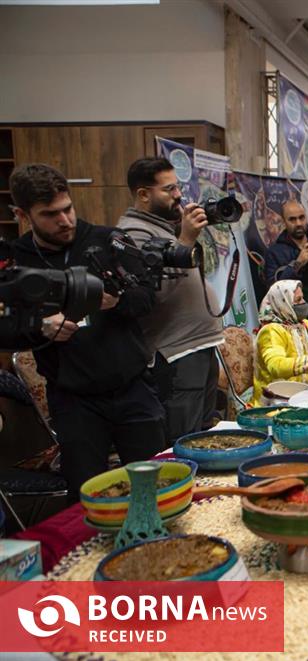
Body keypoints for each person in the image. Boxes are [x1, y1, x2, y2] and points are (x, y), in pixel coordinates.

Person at [8, 164, 165, 500]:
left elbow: (147, 297)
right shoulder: (15, 261)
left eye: (68, 209)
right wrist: (39, 327)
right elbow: (4, 330)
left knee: (156, 488)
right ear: (22, 214)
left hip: (134, 390)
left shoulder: (108, 240)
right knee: (87, 500)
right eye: (50, 215)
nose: (65, 221)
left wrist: (114, 301)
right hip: (73, 402)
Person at [116, 157, 224, 445]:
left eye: (178, 187)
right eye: (169, 189)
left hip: (198, 344)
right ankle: (182, 490)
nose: (178, 195)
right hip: (175, 351)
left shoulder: (162, 227)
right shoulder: (131, 233)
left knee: (203, 432)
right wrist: (186, 239)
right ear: (143, 194)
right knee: (184, 439)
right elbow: (146, 294)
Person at [252, 280, 308, 404]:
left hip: (304, 392)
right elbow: (276, 366)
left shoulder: (303, 325)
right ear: (283, 303)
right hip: (275, 400)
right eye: (298, 300)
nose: (303, 303)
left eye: (303, 298)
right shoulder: (271, 331)